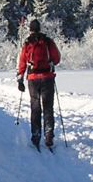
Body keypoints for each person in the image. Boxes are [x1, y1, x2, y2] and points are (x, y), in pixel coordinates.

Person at [16, 19, 61, 148]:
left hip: (33, 79)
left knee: (35, 107)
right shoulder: (48, 41)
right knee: (48, 107)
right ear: (40, 28)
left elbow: (22, 62)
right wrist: (51, 63)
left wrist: (20, 79)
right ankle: (49, 135)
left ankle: (36, 136)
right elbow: (57, 58)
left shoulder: (27, 43)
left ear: (30, 29)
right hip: (47, 77)